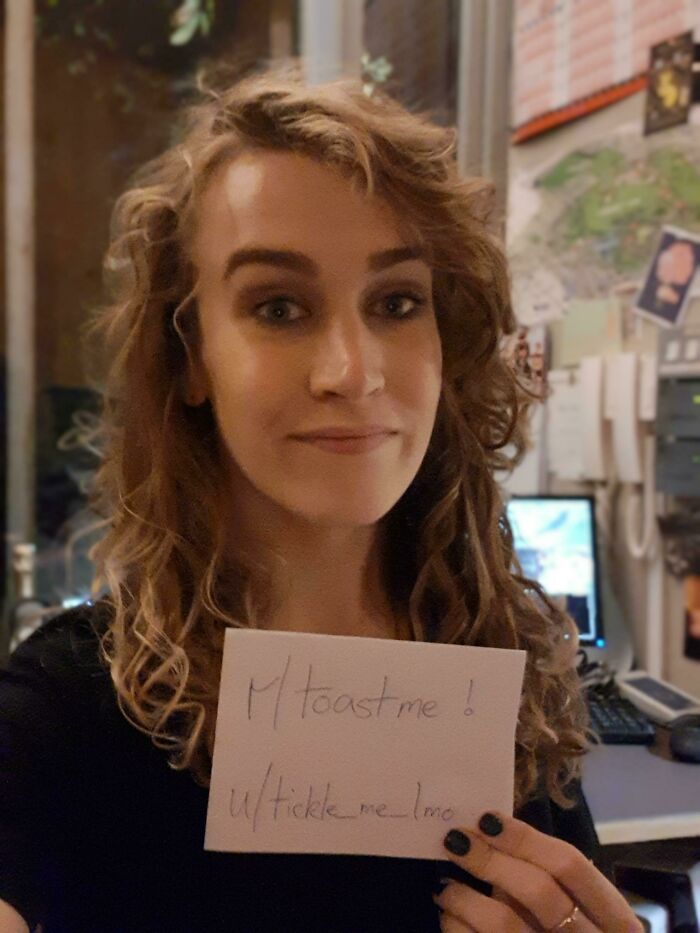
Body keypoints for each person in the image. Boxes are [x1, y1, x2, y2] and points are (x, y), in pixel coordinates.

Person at [0, 66, 642, 933]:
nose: (354, 371)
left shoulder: (505, 684)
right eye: (279, 306)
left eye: (397, 301)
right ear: (190, 356)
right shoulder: (67, 710)